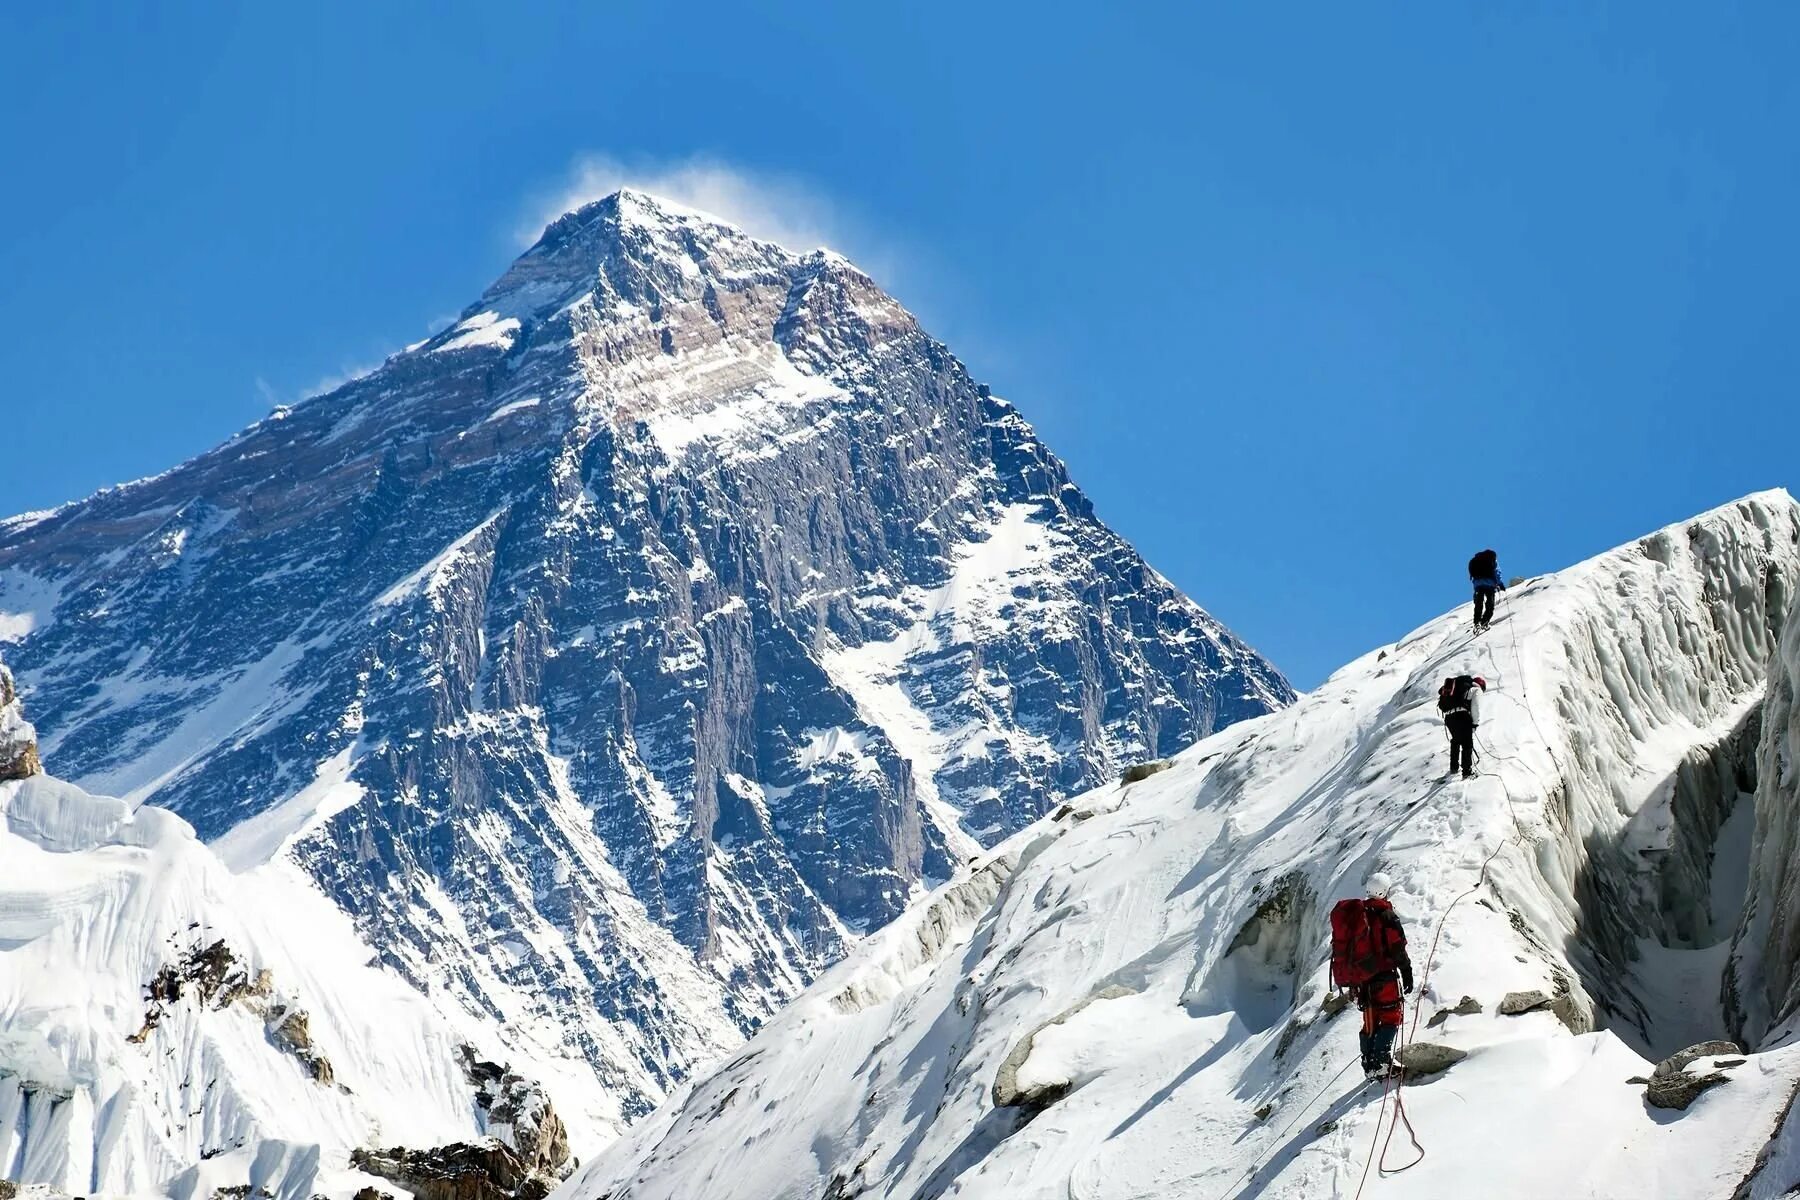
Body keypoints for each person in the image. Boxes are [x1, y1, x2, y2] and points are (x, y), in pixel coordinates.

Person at [1329, 873, 1414, 1080]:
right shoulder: (1386, 915)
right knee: (1391, 1016)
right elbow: (1397, 947)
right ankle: (1382, 1064)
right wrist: (1407, 971)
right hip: (1384, 977)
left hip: (1362, 980)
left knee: (1370, 1021)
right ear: (1385, 892)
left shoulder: (1359, 914)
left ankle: (1369, 1066)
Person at [1437, 674, 1487, 779]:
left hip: (1449, 717)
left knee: (1456, 740)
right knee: (1467, 743)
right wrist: (1474, 723)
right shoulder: (1476, 690)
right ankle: (1467, 772)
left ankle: (1454, 768)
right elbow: (1475, 707)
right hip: (1462, 716)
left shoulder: (1460, 687)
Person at [1468, 548, 1506, 632]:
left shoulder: (1476, 560)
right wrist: (1500, 584)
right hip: (1490, 585)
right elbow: (1497, 572)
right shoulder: (1492, 560)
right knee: (1490, 604)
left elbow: (1471, 572)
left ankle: (1476, 622)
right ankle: (1485, 622)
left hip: (1478, 584)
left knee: (1479, 603)